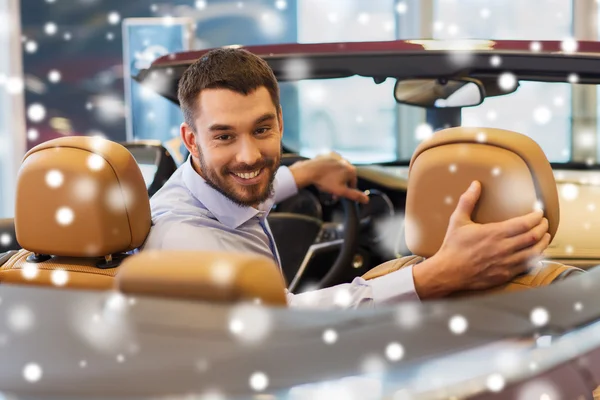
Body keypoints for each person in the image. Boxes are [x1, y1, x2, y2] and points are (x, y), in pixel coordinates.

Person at [142, 48, 550, 309]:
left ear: (281, 123)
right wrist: (435, 275)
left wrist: (305, 173)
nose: (249, 155)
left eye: (262, 130)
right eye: (225, 136)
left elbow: (246, 194)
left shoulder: (202, 187)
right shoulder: (184, 240)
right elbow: (282, 323)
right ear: (191, 140)